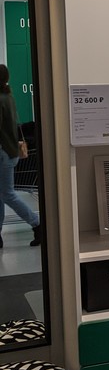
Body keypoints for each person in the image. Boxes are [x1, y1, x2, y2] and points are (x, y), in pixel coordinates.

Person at [0, 64, 40, 248]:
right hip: (10, 151)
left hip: (3, 152)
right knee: (2, 194)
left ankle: (37, 224)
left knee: (8, 194)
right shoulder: (8, 97)